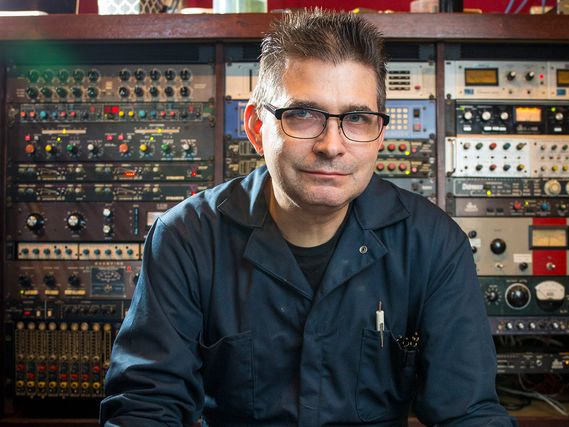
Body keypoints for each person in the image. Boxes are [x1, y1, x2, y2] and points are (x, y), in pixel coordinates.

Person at [100, 8, 516, 427]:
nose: (332, 145)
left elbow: (469, 413)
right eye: (303, 114)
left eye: (356, 118)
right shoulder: (185, 238)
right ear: (255, 127)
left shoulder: (434, 244)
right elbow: (145, 407)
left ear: (380, 135)